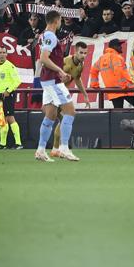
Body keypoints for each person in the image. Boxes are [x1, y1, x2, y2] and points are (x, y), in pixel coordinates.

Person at [34, 11, 79, 163]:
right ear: (57, 20)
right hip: (53, 81)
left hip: (48, 80)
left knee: (51, 116)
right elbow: (44, 59)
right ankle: (64, 148)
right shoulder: (51, 36)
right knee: (70, 112)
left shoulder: (44, 35)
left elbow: (44, 60)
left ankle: (40, 150)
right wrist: (60, 71)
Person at [0, 44, 23, 149]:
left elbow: (17, 81)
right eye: (0, 52)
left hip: (8, 95)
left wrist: (8, 91)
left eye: (4, 52)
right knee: (2, 119)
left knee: (10, 118)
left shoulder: (10, 66)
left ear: (7, 54)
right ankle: (2, 144)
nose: (2, 54)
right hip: (0, 95)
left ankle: (18, 143)